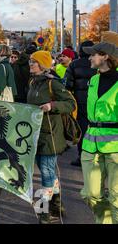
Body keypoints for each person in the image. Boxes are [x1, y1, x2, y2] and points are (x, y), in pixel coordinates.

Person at [27, 50, 76, 224]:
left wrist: (51, 105)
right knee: (45, 169)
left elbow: (71, 104)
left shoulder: (52, 83)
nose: (30, 64)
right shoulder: (33, 82)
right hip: (37, 134)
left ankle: (44, 211)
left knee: (46, 171)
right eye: (30, 61)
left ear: (42, 64)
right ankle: (57, 202)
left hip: (52, 135)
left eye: (33, 62)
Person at [80, 42, 118, 224]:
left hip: (115, 147)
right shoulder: (93, 80)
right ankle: (105, 221)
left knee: (116, 197)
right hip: (90, 143)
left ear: (105, 57)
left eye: (93, 54)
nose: (89, 58)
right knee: (90, 194)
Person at [65, 41, 97, 167]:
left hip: (80, 101)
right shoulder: (97, 63)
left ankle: (82, 156)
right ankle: (96, 155)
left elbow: (68, 84)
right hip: (96, 100)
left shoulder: (74, 64)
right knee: (96, 128)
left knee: (82, 128)